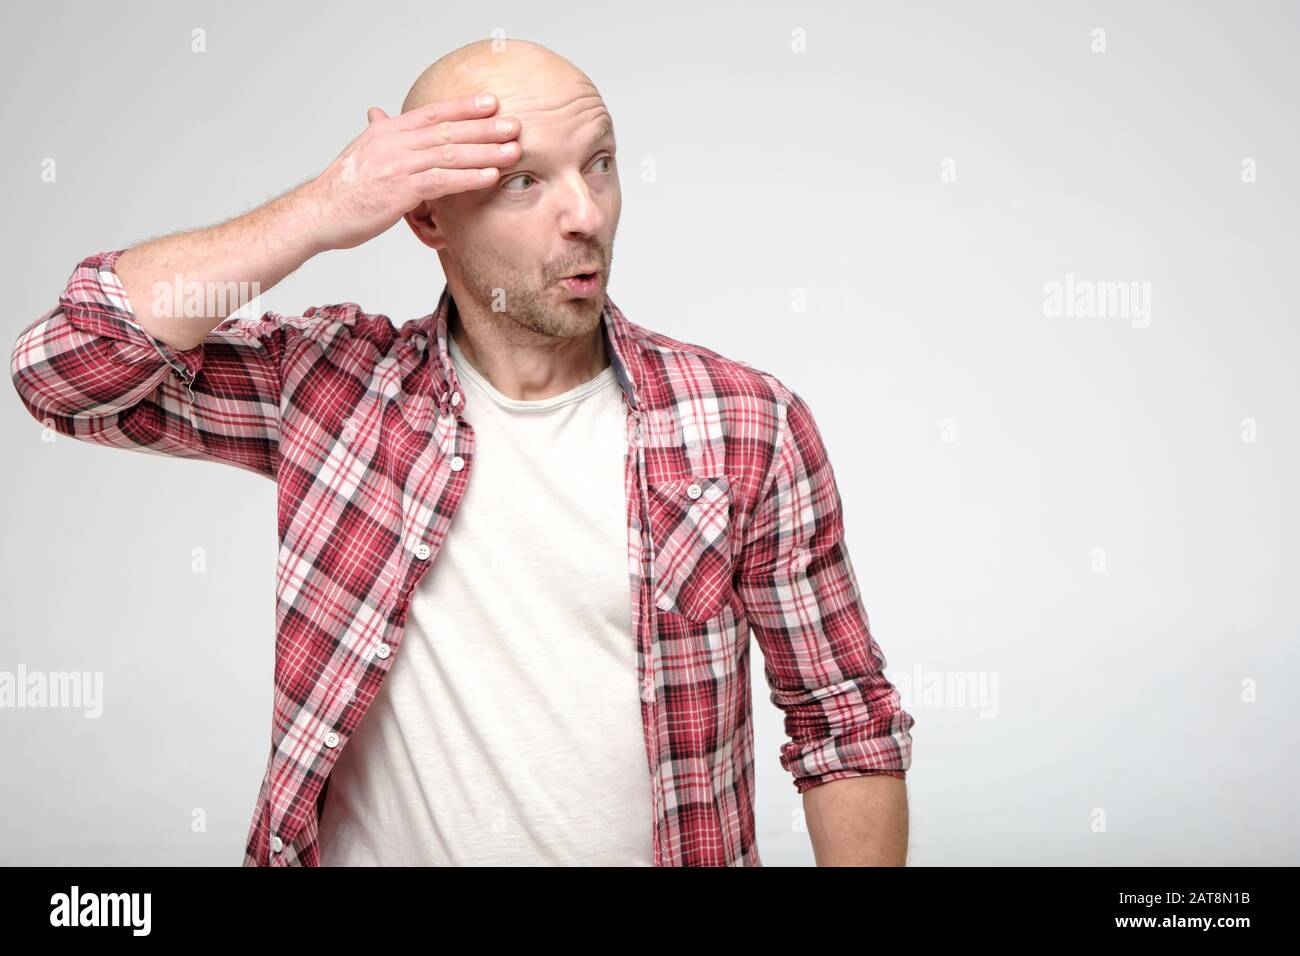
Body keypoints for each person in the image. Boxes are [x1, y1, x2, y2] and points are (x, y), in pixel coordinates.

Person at [9, 37, 913, 866]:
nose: (584, 214)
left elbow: (844, 723)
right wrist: (325, 208)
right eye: (524, 182)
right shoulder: (332, 392)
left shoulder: (741, 425)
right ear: (427, 220)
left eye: (598, 165)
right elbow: (65, 370)